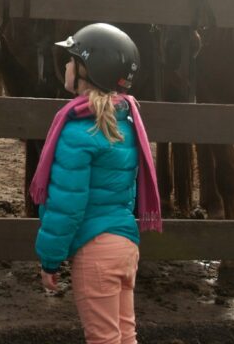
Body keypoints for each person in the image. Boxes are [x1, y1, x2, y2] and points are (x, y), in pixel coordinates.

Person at [32, 23, 162, 344]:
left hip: (95, 252)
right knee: (124, 336)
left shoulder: (78, 132)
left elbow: (66, 206)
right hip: (125, 246)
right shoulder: (127, 124)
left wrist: (50, 259)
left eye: (71, 59)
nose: (64, 64)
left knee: (104, 339)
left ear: (87, 71)